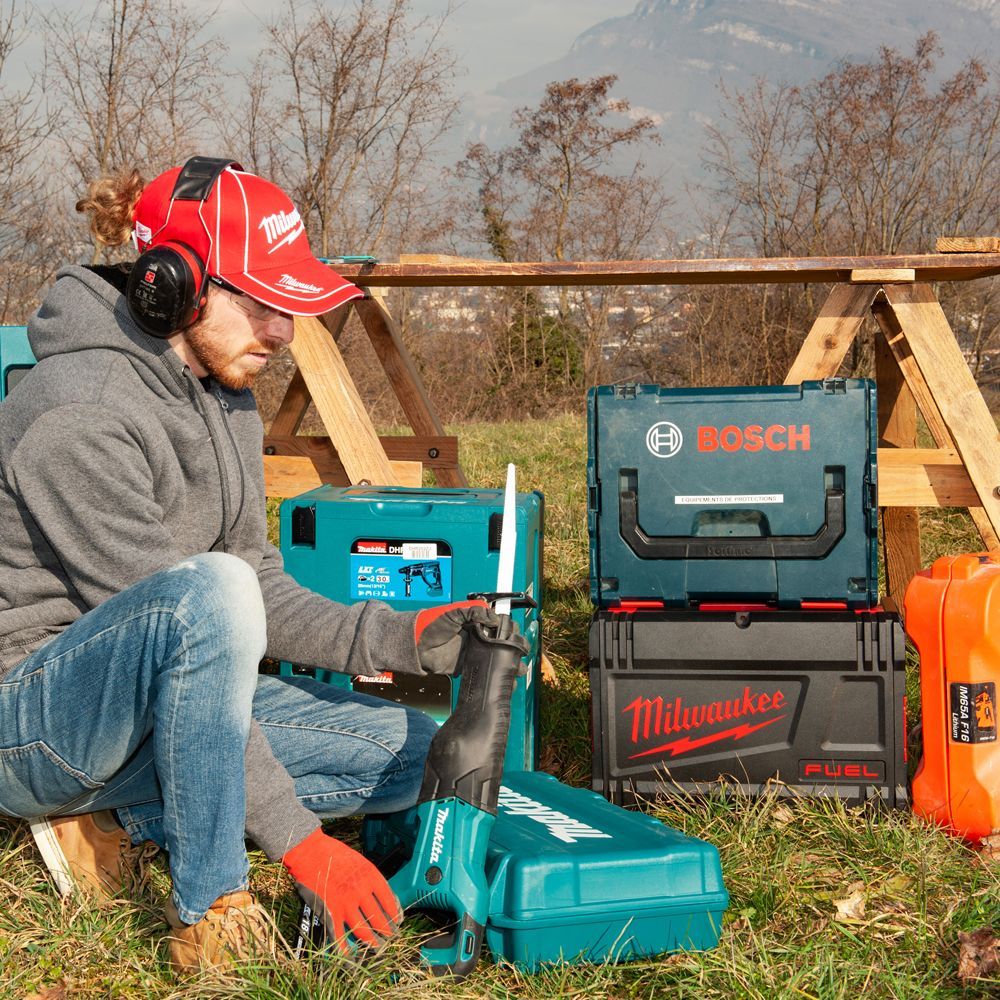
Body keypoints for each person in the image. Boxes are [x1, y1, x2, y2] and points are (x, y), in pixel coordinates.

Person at [0, 156, 520, 974]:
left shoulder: (222, 387)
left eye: (288, 307)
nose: (282, 333)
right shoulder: (79, 412)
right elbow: (200, 611)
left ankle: (129, 821)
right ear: (172, 285)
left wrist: (402, 636)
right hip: (36, 721)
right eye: (263, 304)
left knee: (412, 757)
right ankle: (211, 908)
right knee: (211, 593)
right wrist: (304, 848)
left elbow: (255, 584)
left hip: (165, 693)